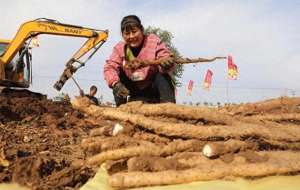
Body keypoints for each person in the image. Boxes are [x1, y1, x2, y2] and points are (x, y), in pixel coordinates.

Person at [104, 15, 176, 107]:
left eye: (134, 32)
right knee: (117, 80)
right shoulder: (119, 48)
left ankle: (169, 110)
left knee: (163, 75)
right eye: (127, 34)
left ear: (141, 30)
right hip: (131, 88)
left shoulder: (153, 40)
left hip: (152, 87)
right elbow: (110, 67)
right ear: (122, 35)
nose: (131, 36)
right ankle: (120, 110)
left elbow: (165, 56)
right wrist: (115, 83)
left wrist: (166, 63)